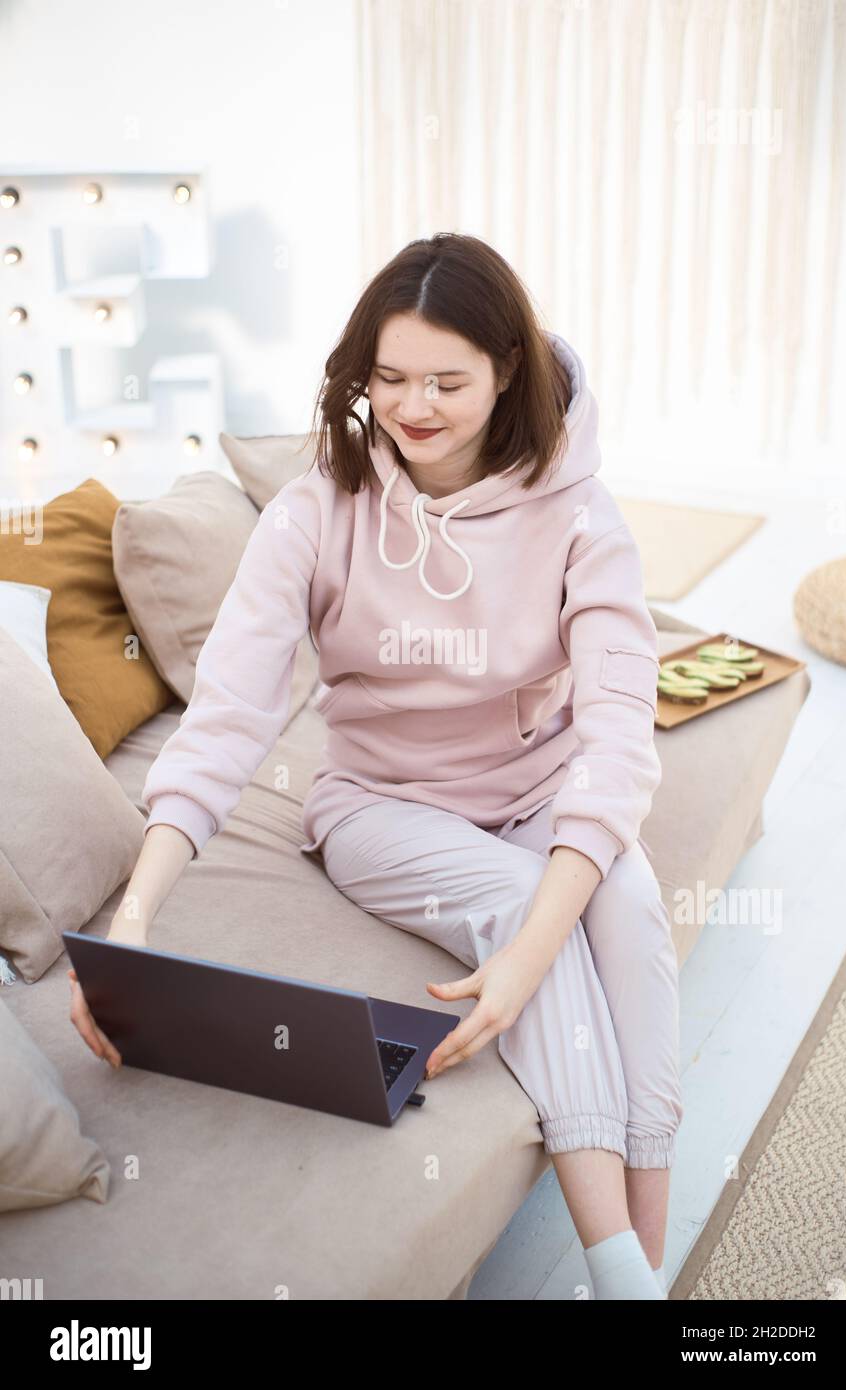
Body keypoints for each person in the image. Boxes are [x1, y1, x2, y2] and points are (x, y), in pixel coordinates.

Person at [69, 232, 682, 1300]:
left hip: (540, 785)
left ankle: (647, 1257)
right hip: (379, 806)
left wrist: (538, 947)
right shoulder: (318, 507)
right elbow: (226, 716)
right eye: (389, 378)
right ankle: (617, 1273)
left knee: (623, 904)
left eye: (448, 380)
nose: (414, 407)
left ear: (508, 373)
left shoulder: (579, 510)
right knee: (514, 898)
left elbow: (620, 734)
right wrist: (134, 919)